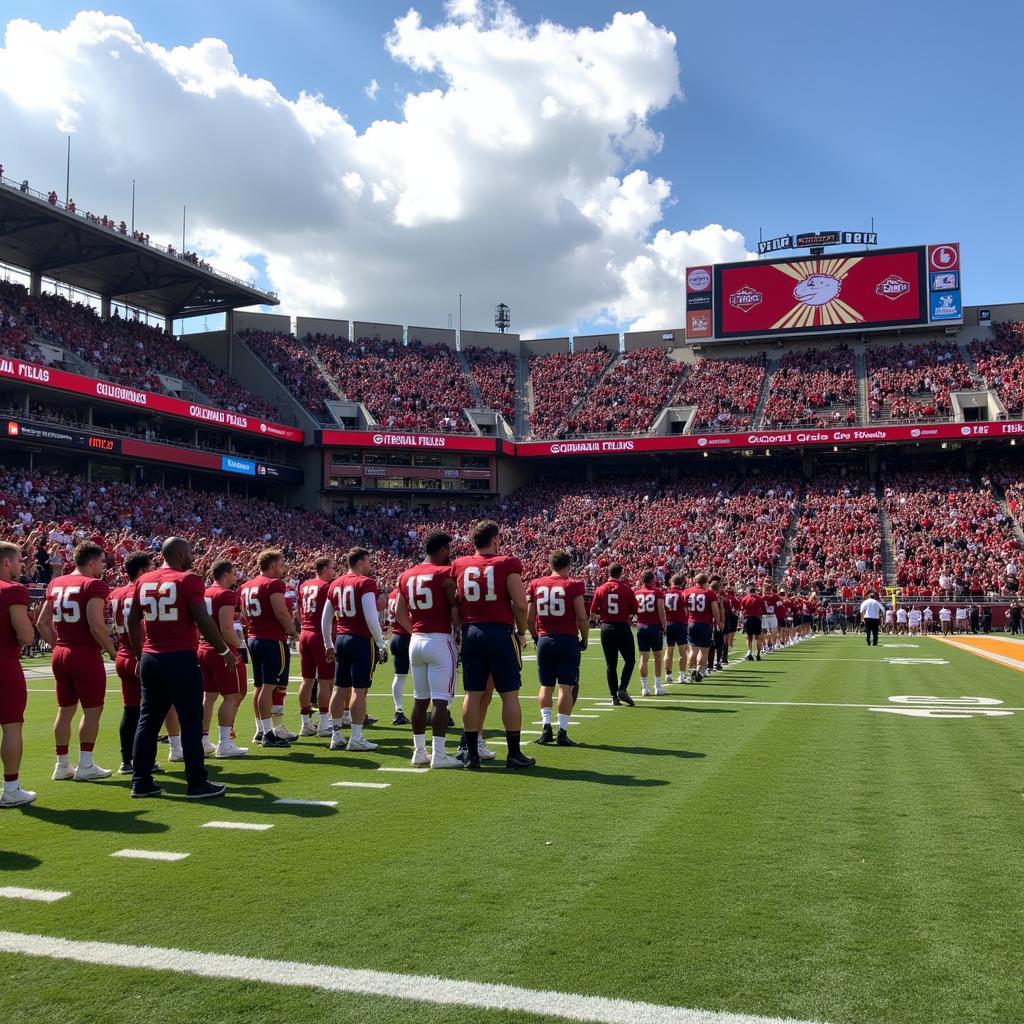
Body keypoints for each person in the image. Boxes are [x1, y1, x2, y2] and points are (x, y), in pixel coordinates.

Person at [126, 536, 236, 800]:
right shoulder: (187, 579)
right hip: (179, 657)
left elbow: (131, 621)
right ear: (179, 555)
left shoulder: (144, 580)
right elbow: (203, 620)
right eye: (188, 553)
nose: (191, 557)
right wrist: (223, 649)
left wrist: (140, 655)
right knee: (190, 720)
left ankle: (140, 781)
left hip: (152, 656)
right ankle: (197, 782)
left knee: (148, 720)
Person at [452, 520, 534, 771]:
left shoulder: (460, 565)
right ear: (495, 539)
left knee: (472, 694)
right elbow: (521, 604)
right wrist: (521, 632)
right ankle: (514, 753)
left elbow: (455, 603)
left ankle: (472, 754)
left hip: (471, 632)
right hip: (499, 632)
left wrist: (459, 630)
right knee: (509, 694)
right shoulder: (506, 563)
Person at [36, 541, 115, 782]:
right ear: (91, 562)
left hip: (61, 652)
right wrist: (112, 651)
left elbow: (41, 622)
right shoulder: (93, 584)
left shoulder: (56, 583)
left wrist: (58, 645)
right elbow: (95, 625)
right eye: (101, 561)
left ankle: (62, 765)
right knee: (93, 710)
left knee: (65, 710)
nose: (103, 566)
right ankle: (85, 764)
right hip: (83, 653)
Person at [394, 531, 462, 768]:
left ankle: (419, 751)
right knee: (441, 701)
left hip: (416, 641)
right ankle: (439, 755)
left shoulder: (406, 574)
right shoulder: (444, 572)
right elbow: (455, 604)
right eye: (448, 550)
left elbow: (398, 611)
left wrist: (414, 630)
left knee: (419, 700)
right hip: (439, 640)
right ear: (442, 549)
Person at [321, 547, 388, 753]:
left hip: (341, 638)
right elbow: (370, 616)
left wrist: (328, 644)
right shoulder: (365, 583)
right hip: (360, 639)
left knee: (340, 688)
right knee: (360, 691)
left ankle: (336, 735)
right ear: (360, 562)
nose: (370, 565)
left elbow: (325, 618)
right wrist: (380, 642)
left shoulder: (335, 583)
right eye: (368, 561)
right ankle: (356, 737)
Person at [527, 550, 588, 746]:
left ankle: (546, 727)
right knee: (565, 686)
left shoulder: (536, 584)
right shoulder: (573, 584)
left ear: (550, 565)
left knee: (546, 685)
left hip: (545, 639)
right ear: (568, 566)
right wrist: (584, 639)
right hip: (567, 639)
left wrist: (537, 636)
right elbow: (581, 617)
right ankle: (562, 731)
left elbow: (529, 619)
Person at [239, 549, 297, 748]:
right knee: (269, 686)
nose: (282, 568)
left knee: (259, 685)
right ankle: (267, 733)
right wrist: (292, 631)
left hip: (254, 637)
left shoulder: (246, 586)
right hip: (271, 639)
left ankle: (260, 730)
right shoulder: (273, 584)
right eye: (280, 564)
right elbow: (280, 611)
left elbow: (245, 615)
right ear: (271, 565)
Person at [109, 551, 156, 775]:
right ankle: (144, 760)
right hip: (140, 653)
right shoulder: (143, 590)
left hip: (122, 652)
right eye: (151, 567)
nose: (154, 571)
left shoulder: (116, 593)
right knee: (149, 712)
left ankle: (126, 760)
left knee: (130, 710)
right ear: (141, 571)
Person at [198, 560, 248, 758]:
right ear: (226, 574)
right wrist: (240, 646)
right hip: (221, 650)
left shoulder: (204, 592)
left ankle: (203, 740)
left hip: (203, 647)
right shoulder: (226, 594)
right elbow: (226, 628)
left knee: (208, 697)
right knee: (231, 696)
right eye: (233, 573)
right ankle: (225, 743)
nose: (236, 576)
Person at [0, 542, 35, 808]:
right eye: (19, 559)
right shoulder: (13, 591)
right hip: (4, 662)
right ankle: (11, 788)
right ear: (6, 562)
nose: (22, 564)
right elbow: (25, 635)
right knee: (11, 726)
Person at [297, 557, 335, 737]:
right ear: (326, 568)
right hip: (320, 635)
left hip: (305, 632)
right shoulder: (326, 587)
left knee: (307, 680)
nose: (334, 571)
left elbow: (299, 611)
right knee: (325, 680)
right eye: (332, 568)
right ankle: (323, 723)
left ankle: (305, 723)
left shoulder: (304, 585)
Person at [589, 563, 638, 706]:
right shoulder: (627, 590)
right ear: (621, 573)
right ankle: (622, 688)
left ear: (607, 573)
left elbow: (592, 612)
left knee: (611, 664)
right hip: (622, 626)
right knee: (630, 660)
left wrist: (603, 617)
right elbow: (635, 609)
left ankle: (614, 696)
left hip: (606, 627)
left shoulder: (600, 589)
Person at [681, 573, 720, 682]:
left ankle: (691, 670)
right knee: (703, 651)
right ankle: (700, 671)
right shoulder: (709, 593)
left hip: (691, 623)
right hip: (705, 624)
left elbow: (683, 608)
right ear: (705, 582)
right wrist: (717, 622)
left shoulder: (687, 591)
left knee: (693, 650)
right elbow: (715, 610)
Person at [634, 569, 666, 696]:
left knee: (643, 658)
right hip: (654, 627)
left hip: (641, 626)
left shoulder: (637, 593)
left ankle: (644, 688)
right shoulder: (657, 592)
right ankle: (657, 687)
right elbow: (661, 611)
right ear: (652, 579)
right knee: (658, 657)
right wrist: (664, 626)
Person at [386, 585, 411, 726]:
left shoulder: (392, 594)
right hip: (408, 636)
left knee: (399, 676)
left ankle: (398, 710)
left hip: (395, 636)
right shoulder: (404, 594)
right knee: (423, 675)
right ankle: (428, 712)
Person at [663, 573, 688, 685]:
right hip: (681, 624)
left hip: (669, 623)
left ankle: (668, 675)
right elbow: (686, 610)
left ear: (671, 582)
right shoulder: (682, 594)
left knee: (669, 651)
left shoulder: (665, 594)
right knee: (682, 652)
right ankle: (681, 676)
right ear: (681, 583)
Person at [740, 584, 766, 661]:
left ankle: (750, 651)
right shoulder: (760, 598)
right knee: (758, 637)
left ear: (749, 591)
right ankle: (758, 653)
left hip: (748, 618)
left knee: (749, 636)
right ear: (755, 591)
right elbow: (764, 610)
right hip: (757, 618)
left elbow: (742, 609)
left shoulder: (744, 598)